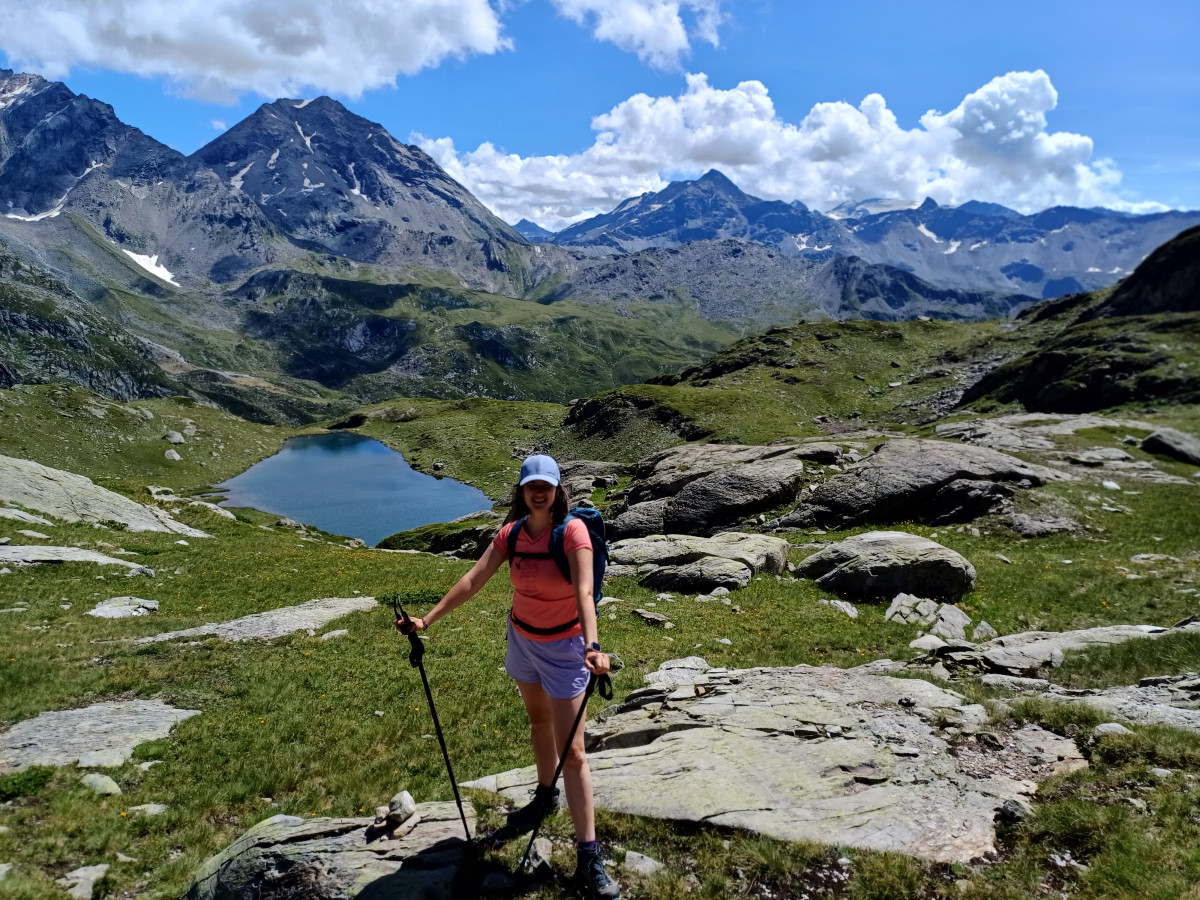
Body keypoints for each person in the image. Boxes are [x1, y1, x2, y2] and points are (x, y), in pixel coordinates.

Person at [397, 454, 620, 900]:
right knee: (538, 722)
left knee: (573, 754)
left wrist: (592, 647)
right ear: (521, 490)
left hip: (563, 648)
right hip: (522, 639)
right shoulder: (512, 533)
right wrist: (428, 620)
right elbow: (474, 579)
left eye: (547, 485)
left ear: (558, 490)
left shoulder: (572, 532)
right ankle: (543, 795)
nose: (539, 492)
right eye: (531, 485)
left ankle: (588, 857)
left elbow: (582, 593)